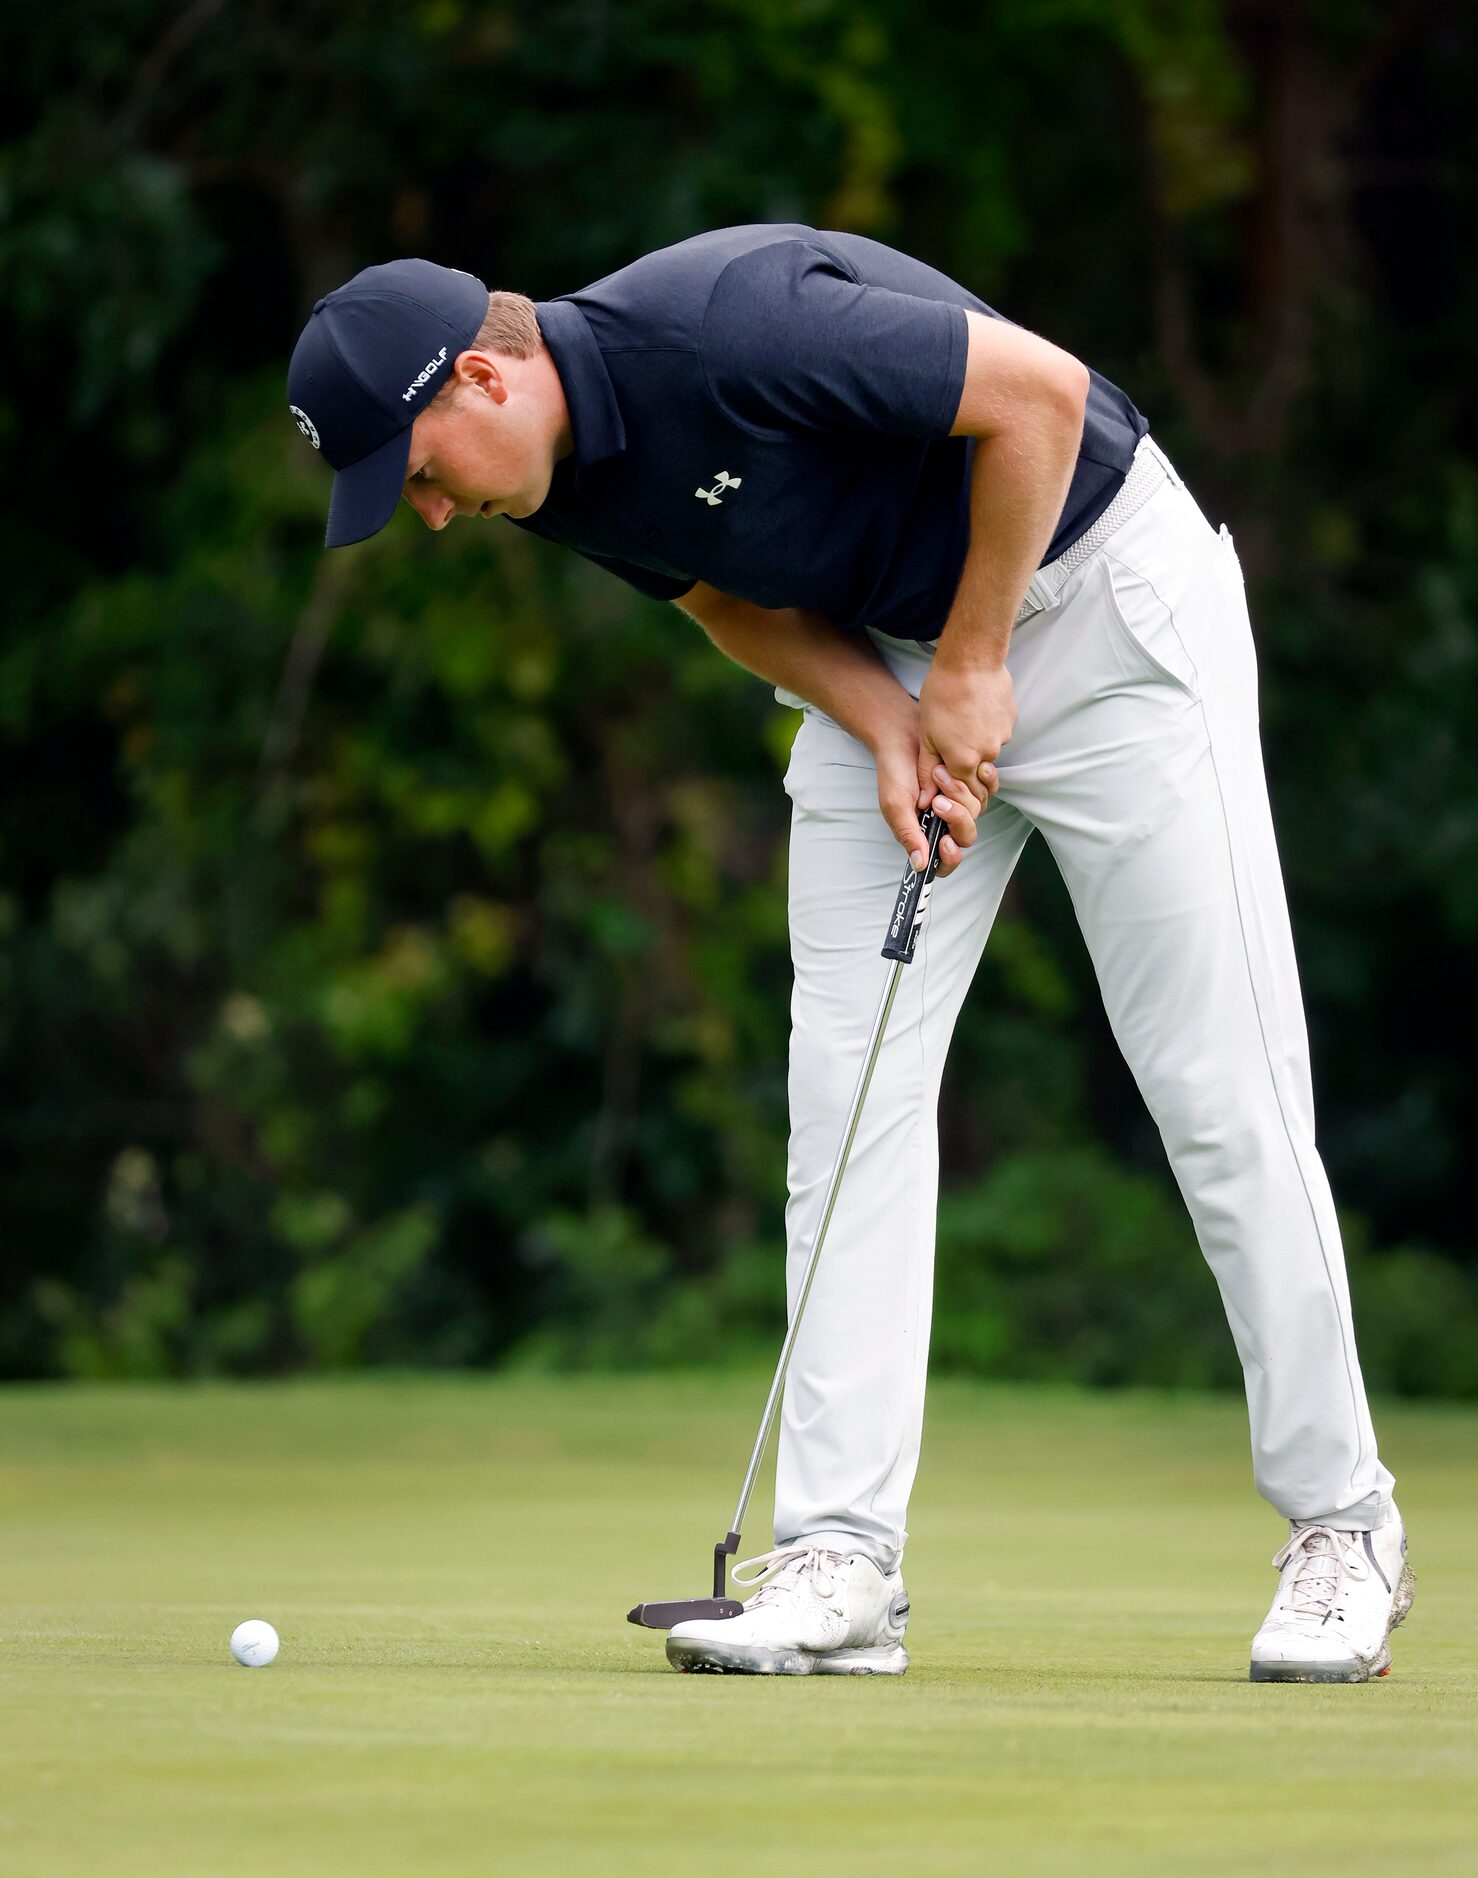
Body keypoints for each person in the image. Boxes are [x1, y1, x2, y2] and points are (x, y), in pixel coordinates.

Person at [286, 226, 1414, 1683]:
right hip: (900, 662)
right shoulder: (550, 480)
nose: (430, 513)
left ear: (488, 377)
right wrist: (889, 721)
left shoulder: (730, 329)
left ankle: (1344, 1525)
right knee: (845, 1098)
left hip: (1099, 597)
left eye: (419, 472)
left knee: (1217, 1089)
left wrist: (967, 664)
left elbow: (1042, 398)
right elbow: (716, 596)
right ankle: (839, 1557)